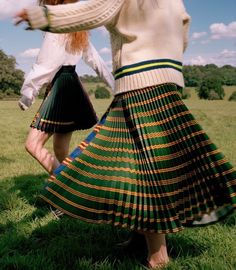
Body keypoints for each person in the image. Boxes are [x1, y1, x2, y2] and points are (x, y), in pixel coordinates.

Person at [15, 0, 236, 268]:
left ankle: (158, 255)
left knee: (146, 168)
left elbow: (93, 11)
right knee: (133, 161)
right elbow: (184, 24)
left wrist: (41, 15)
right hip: (167, 79)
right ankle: (140, 236)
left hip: (138, 82)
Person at [18, 0, 114, 174]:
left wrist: (27, 94)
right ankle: (78, 188)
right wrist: (115, 85)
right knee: (61, 150)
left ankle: (62, 188)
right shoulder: (78, 31)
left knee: (33, 145)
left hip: (61, 87)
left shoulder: (57, 30)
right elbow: (97, 61)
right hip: (72, 85)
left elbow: (44, 67)